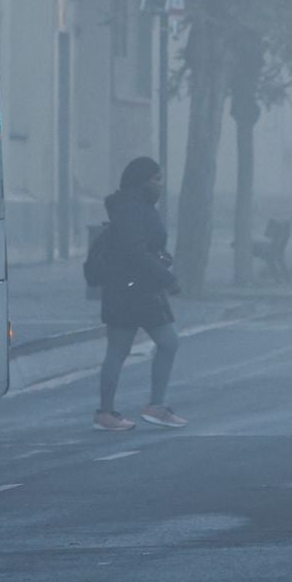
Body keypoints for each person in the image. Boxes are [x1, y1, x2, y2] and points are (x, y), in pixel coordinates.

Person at [94, 157, 188, 431]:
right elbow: (134, 251)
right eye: (157, 179)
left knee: (151, 344)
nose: (161, 185)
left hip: (137, 289)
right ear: (141, 180)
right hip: (135, 290)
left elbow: (142, 246)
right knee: (128, 347)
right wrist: (166, 277)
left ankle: (139, 408)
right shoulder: (131, 208)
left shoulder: (136, 206)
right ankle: (113, 411)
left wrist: (161, 257)